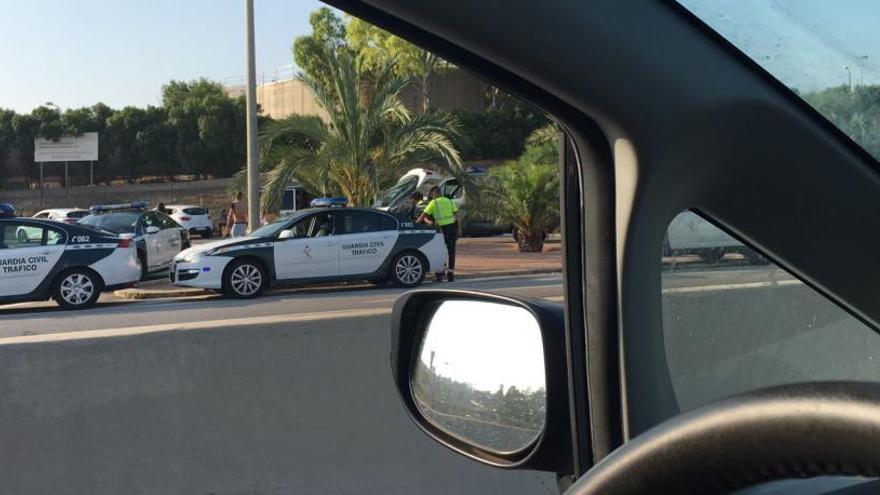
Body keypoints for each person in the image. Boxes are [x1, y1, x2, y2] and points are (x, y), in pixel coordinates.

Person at [418, 186, 460, 282]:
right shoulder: (449, 201)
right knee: (451, 251)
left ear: (434, 194)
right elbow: (457, 215)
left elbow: (422, 216)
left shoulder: (433, 203)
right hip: (453, 228)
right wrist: (460, 228)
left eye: (431, 194)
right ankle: (450, 274)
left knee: (440, 251)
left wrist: (415, 224)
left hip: (441, 230)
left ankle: (439, 275)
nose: (431, 196)